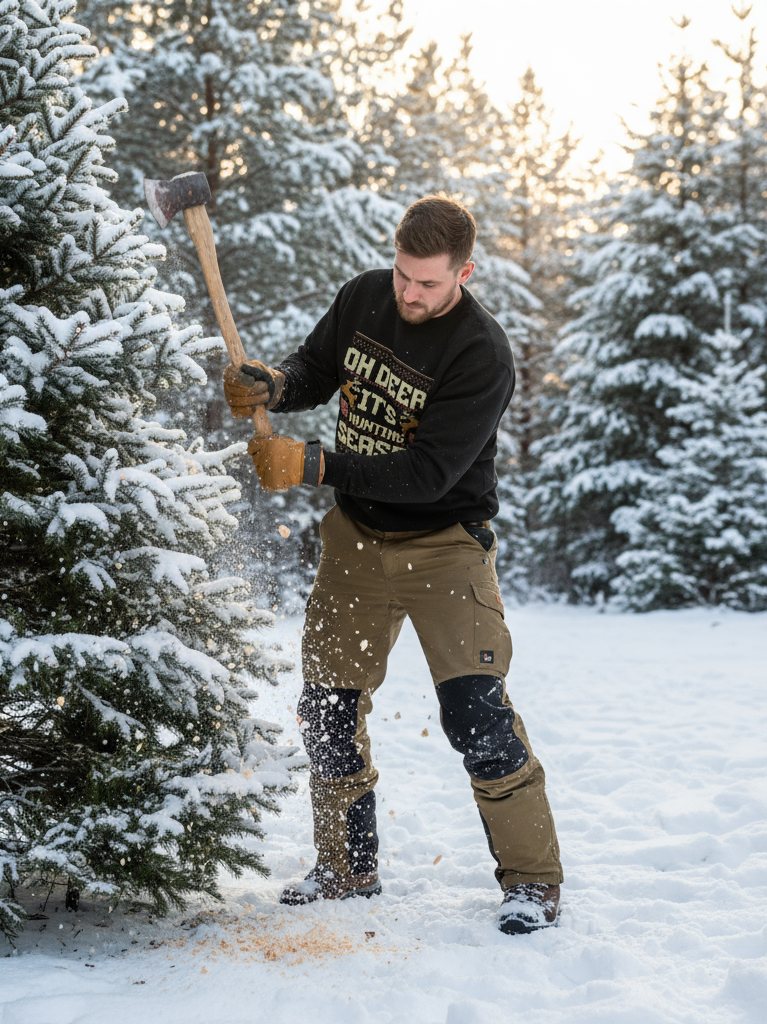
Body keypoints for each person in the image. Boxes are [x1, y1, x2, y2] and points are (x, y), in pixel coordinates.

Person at [222, 196, 563, 935]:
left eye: (427, 283)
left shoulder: (481, 353)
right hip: (356, 539)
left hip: (446, 543)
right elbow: (318, 368)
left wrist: (313, 464)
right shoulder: (365, 296)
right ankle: (346, 868)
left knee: (476, 714)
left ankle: (533, 883)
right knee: (328, 708)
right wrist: (275, 385)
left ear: (464, 273)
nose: (409, 292)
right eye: (403, 274)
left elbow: (429, 473)